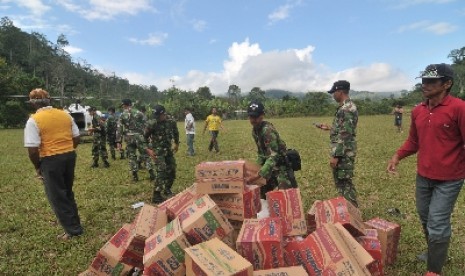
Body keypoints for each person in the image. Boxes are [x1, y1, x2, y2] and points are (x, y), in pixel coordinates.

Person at [387, 63, 465, 276]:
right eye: (424, 80)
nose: (425, 84)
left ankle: (434, 270)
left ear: (447, 83)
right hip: (424, 176)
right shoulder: (419, 110)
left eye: (432, 81)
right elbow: (414, 141)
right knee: (425, 217)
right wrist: (397, 156)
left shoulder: (459, 108)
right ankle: (435, 252)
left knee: (437, 221)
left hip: (450, 178)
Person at [24, 88, 83, 240]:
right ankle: (75, 224)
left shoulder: (34, 120)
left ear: (32, 103)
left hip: (51, 159)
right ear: (49, 100)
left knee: (57, 195)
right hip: (69, 156)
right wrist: (67, 150)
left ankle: (73, 231)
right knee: (67, 191)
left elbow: (32, 150)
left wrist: (38, 166)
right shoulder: (65, 115)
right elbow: (76, 138)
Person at [317, 80, 359, 207]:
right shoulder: (347, 107)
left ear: (340, 91)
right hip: (344, 151)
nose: (333, 95)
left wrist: (336, 156)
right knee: (342, 183)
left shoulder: (346, 109)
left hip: (343, 153)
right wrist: (330, 128)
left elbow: (345, 134)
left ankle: (352, 214)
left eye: (333, 92)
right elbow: (344, 129)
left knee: (344, 184)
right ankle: (348, 213)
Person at [246, 101, 296, 199]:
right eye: (251, 117)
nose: (253, 120)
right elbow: (261, 153)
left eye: (256, 117)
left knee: (285, 197)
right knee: (263, 195)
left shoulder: (267, 130)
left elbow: (274, 155)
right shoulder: (255, 130)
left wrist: (259, 174)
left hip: (281, 166)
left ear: (262, 116)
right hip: (269, 165)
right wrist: (255, 168)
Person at [144, 105, 180, 203]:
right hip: (158, 152)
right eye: (155, 115)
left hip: (168, 151)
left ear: (164, 114)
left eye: (158, 116)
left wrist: (176, 143)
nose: (156, 118)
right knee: (162, 171)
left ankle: (167, 189)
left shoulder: (171, 122)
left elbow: (176, 133)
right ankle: (156, 195)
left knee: (172, 169)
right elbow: (144, 138)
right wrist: (149, 150)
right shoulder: (152, 123)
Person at [116, 99, 154, 181]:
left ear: (124, 105)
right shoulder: (139, 113)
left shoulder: (122, 115)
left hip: (129, 138)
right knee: (145, 155)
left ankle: (135, 176)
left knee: (131, 157)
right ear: (131, 104)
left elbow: (119, 128)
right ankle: (151, 174)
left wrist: (118, 141)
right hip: (139, 136)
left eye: (123, 105)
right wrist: (149, 136)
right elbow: (147, 125)